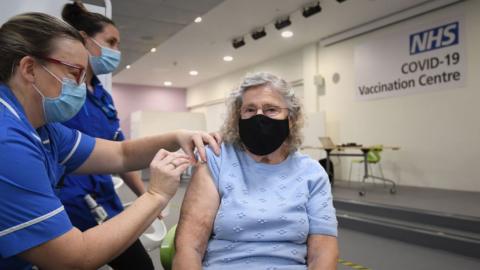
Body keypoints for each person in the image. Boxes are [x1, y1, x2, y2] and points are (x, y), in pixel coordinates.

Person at [0, 13, 220, 270]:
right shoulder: (8, 141)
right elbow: (74, 258)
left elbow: (121, 154)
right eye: (73, 73)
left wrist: (175, 137)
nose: (81, 86)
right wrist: (156, 194)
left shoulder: (44, 130)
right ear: (29, 69)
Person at [174, 72, 338, 270]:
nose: (259, 117)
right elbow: (189, 247)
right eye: (250, 109)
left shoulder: (312, 173)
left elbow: (323, 253)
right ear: (238, 116)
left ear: (291, 119)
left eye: (271, 109)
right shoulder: (217, 159)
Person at [58, 2, 153, 268]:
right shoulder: (59, 92)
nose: (116, 51)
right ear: (83, 40)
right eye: (111, 42)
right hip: (68, 205)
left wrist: (145, 195)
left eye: (118, 44)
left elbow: (122, 153)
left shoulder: (103, 97)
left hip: (106, 203)